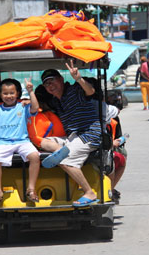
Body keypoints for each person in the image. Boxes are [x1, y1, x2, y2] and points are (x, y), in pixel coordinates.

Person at [37, 61, 102, 207]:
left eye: (52, 81)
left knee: (65, 161)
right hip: (72, 137)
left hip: (89, 134)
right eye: (46, 84)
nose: (50, 86)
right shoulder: (55, 100)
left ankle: (89, 193)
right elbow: (41, 107)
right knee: (43, 141)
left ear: (61, 79)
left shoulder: (75, 90)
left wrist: (79, 79)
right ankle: (61, 151)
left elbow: (90, 91)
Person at [0, 78, 40, 208]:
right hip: (3, 142)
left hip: (22, 141)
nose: (9, 96)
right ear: (0, 95)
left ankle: (31, 189)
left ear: (17, 93)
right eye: (5, 93)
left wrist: (31, 92)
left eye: (12, 93)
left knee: (35, 156)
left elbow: (35, 107)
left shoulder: (23, 106)